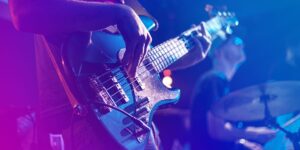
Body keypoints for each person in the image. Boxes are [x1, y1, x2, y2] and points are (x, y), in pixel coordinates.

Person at [8, 0, 211, 149]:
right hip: (80, 122)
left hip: (132, 126)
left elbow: (126, 64)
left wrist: (182, 59)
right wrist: (119, 14)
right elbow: (25, 10)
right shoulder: (121, 10)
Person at [190, 36, 276, 150]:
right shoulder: (213, 79)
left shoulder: (220, 81)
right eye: (235, 42)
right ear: (218, 52)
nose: (241, 44)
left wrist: (242, 142)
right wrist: (255, 134)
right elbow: (217, 131)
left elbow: (224, 129)